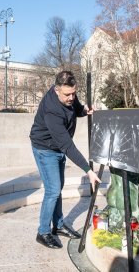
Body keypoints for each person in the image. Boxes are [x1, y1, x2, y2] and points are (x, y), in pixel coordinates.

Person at [30, 70, 101, 249]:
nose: (71, 97)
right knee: (53, 190)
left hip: (57, 148)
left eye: (74, 93)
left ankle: (59, 225)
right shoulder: (51, 110)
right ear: (56, 90)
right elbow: (68, 146)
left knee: (58, 187)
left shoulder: (69, 96)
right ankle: (43, 232)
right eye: (67, 94)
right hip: (45, 149)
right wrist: (88, 170)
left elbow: (75, 108)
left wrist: (84, 110)